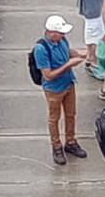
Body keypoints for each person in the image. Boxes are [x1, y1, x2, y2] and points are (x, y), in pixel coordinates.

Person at [34, 15, 88, 165]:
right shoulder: (41, 49)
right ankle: (56, 145)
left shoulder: (62, 40)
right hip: (54, 89)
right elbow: (48, 75)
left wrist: (78, 54)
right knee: (54, 118)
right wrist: (69, 65)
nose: (64, 36)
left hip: (68, 83)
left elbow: (67, 50)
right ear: (51, 32)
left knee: (71, 114)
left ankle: (70, 141)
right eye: (61, 33)